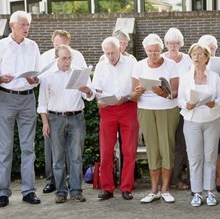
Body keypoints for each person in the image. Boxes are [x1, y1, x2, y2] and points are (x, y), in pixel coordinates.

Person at [0, 11, 41, 208]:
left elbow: (38, 75)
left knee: (29, 147)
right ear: (12, 25)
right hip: (5, 98)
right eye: (23, 24)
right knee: (5, 148)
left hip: (28, 99)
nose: (26, 28)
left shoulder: (33, 46)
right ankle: (3, 192)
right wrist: (1, 78)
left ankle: (29, 191)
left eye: (28, 25)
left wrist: (34, 79)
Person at [38, 44, 94, 204]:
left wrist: (87, 91)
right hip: (55, 119)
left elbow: (90, 95)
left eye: (69, 58)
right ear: (57, 58)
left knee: (76, 157)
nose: (67, 61)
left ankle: (76, 191)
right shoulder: (48, 76)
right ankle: (61, 192)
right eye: (64, 58)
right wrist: (45, 123)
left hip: (76, 118)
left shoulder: (79, 72)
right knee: (57, 158)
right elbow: (42, 102)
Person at [131, 34, 179, 203]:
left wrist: (164, 93)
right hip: (145, 109)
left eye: (156, 51)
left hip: (167, 109)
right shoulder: (138, 66)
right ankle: (153, 190)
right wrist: (137, 93)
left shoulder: (171, 65)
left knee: (166, 146)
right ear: (145, 51)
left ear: (162, 50)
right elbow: (133, 96)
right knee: (152, 148)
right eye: (150, 51)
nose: (153, 54)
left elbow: (175, 93)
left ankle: (165, 190)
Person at [91, 37, 138, 201]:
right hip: (108, 110)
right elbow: (96, 88)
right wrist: (98, 100)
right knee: (105, 151)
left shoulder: (131, 63)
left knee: (129, 151)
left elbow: (136, 87)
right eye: (107, 53)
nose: (110, 56)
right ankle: (107, 188)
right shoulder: (100, 65)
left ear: (120, 50)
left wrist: (126, 97)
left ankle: (126, 187)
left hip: (127, 107)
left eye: (113, 52)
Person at [178, 43, 220, 206]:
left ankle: (210, 192)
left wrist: (214, 103)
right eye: (194, 54)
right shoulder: (185, 77)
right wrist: (186, 105)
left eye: (200, 54)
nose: (197, 57)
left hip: (212, 122)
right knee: (195, 158)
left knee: (210, 157)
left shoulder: (215, 77)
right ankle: (197, 193)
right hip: (192, 122)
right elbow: (180, 100)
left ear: (206, 58)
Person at [163, 27, 192, 190]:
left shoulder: (187, 59)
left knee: (182, 144)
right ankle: (167, 177)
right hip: (166, 107)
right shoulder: (161, 59)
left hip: (183, 108)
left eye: (175, 43)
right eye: (169, 43)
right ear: (166, 44)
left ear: (180, 44)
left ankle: (178, 177)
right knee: (168, 143)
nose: (172, 46)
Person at [198, 35, 220, 194]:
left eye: (213, 48)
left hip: (218, 111)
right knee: (201, 149)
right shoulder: (193, 66)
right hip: (200, 112)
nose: (211, 52)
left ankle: (219, 181)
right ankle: (201, 182)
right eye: (207, 49)